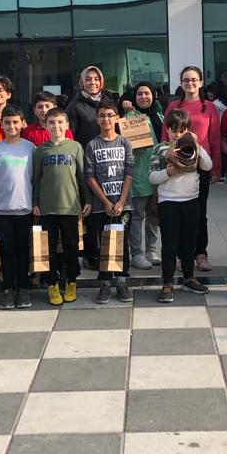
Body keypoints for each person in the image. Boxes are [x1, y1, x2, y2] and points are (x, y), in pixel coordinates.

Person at [149, 108, 213, 301]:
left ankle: (188, 278)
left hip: (191, 201)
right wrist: (168, 173)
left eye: (182, 130)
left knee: (189, 243)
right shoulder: (160, 149)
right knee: (169, 244)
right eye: (173, 130)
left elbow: (208, 166)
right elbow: (151, 177)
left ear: (188, 131)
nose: (177, 134)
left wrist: (198, 146)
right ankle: (167, 282)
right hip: (168, 202)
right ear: (167, 130)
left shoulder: (193, 147)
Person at [163, 66, 221, 271]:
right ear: (181, 82)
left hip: (201, 166)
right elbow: (165, 136)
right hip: (177, 165)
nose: (190, 83)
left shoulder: (210, 108)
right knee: (179, 213)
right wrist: (165, 162)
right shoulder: (173, 106)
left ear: (201, 82)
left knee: (199, 212)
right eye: (186, 80)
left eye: (194, 79)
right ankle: (182, 254)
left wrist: (216, 170)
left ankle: (201, 253)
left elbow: (214, 139)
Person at [33, 106, 91, 306]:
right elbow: (36, 179)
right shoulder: (41, 150)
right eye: (51, 122)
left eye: (60, 122)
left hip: (70, 207)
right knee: (48, 249)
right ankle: (52, 284)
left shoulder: (75, 147)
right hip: (47, 208)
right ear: (46, 125)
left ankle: (71, 282)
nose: (56, 126)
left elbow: (82, 177)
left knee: (71, 247)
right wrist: (35, 202)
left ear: (67, 125)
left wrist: (87, 200)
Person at [0, 105, 34, 311]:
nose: (11, 126)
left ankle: (23, 288)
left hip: (24, 209)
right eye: (7, 123)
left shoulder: (31, 148)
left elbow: (35, 180)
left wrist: (36, 205)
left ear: (22, 124)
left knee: (23, 251)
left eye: (15, 122)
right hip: (1, 210)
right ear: (1, 125)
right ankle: (7, 289)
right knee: (6, 252)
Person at [85, 100, 135, 303]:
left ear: (117, 118)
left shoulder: (125, 143)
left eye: (110, 115)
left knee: (122, 244)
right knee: (104, 244)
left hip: (123, 205)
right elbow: (90, 177)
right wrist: (105, 202)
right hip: (101, 206)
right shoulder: (92, 145)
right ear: (97, 119)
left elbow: (129, 173)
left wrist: (121, 201)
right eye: (102, 115)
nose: (106, 119)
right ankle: (105, 283)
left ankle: (122, 282)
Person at [67, 65, 106, 267]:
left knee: (106, 209)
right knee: (89, 211)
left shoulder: (107, 103)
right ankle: (91, 255)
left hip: (107, 165)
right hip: (85, 166)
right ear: (82, 82)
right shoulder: (74, 106)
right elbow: (70, 138)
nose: (92, 82)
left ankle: (108, 253)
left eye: (96, 79)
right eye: (88, 79)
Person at [120, 84, 161, 270]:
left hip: (157, 175)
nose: (144, 97)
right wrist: (130, 112)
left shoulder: (159, 116)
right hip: (137, 175)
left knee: (154, 215)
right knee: (137, 216)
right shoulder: (127, 118)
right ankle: (136, 253)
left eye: (147, 93)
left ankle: (151, 249)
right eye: (139, 94)